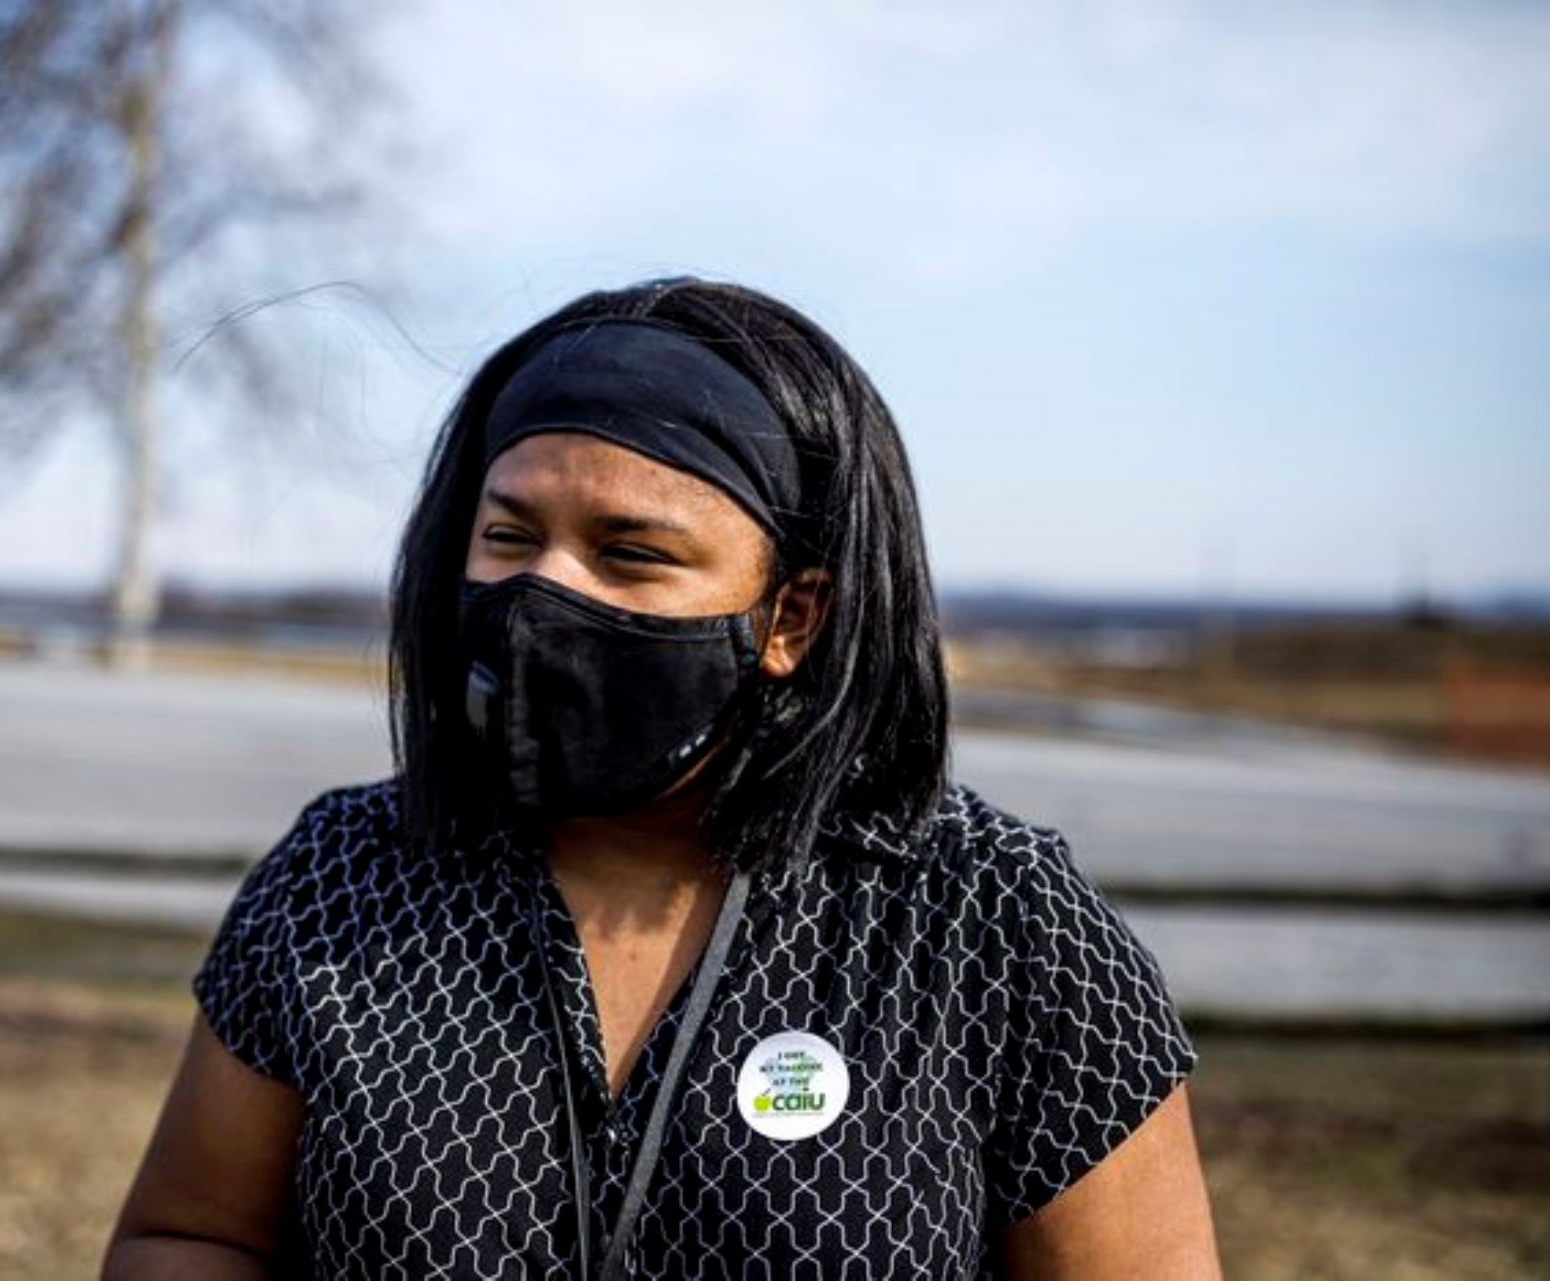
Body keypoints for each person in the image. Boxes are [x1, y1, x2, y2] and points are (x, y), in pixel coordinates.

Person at [104, 277, 1222, 1279]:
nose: (545, 593)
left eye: (631, 552)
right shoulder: (344, 879)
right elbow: (191, 1235)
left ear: (791, 615)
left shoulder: (996, 922)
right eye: (509, 536)